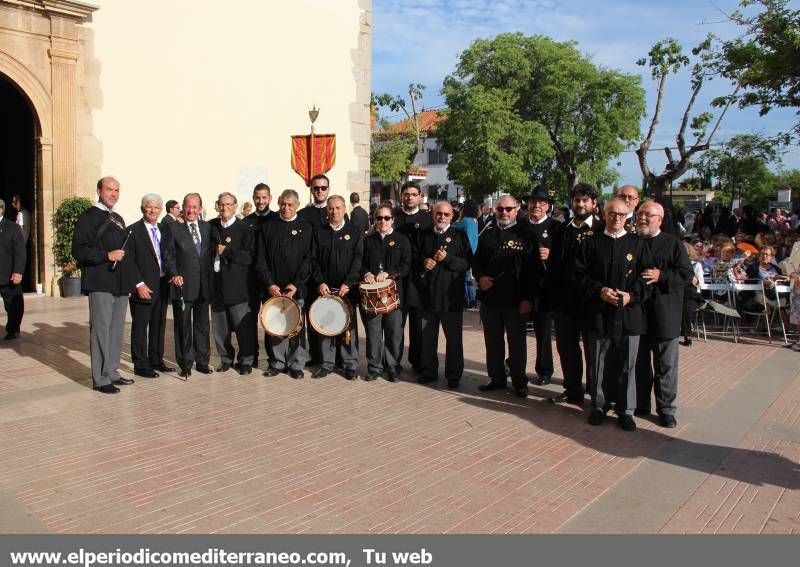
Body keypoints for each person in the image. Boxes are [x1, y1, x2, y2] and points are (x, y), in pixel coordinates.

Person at [575, 198, 653, 431]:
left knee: (628, 364)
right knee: (598, 362)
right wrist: (599, 291)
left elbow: (647, 277)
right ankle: (598, 406)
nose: (616, 218)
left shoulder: (638, 244)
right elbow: (579, 275)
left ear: (628, 216)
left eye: (621, 214)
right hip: (599, 312)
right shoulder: (591, 243)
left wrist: (632, 296)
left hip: (629, 314)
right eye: (612, 214)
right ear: (603, 214)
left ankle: (626, 410)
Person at [71, 177, 137, 393]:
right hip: (100, 281)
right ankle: (100, 378)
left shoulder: (117, 217)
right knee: (100, 330)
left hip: (119, 284)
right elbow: (78, 251)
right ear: (99, 190)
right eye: (109, 189)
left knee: (117, 330)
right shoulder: (88, 217)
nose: (114, 194)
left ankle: (112, 371)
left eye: (117, 190)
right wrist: (106, 255)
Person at [473, 195, 540, 398]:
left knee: (517, 343)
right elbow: (476, 261)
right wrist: (480, 276)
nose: (504, 213)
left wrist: (528, 298)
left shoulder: (526, 234)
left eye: (509, 209)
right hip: (490, 299)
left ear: (517, 208)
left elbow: (534, 270)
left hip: (516, 301)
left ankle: (520, 381)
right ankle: (497, 378)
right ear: (495, 210)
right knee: (493, 342)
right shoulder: (487, 232)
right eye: (500, 209)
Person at [634, 200, 693, 428]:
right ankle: (640, 404)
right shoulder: (632, 242)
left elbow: (686, 275)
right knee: (639, 364)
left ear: (659, 219)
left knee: (666, 366)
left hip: (665, 314)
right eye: (640, 214)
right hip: (637, 314)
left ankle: (666, 408)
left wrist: (662, 276)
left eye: (648, 214)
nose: (642, 218)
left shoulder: (672, 244)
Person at [548, 183, 602, 406]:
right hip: (564, 302)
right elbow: (554, 265)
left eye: (585, 200)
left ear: (594, 204)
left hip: (591, 302)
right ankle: (572, 390)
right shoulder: (562, 230)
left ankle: (597, 394)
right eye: (577, 200)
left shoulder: (601, 229)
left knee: (593, 351)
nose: (580, 204)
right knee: (567, 348)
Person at [411, 201, 471, 389]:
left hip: (450, 298)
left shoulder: (459, 236)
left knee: (453, 340)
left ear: (452, 216)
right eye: (439, 214)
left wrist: (448, 259)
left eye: (446, 214)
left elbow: (466, 263)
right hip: (427, 296)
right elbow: (413, 257)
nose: (442, 217)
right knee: (428, 338)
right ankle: (429, 371)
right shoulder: (424, 235)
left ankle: (453, 375)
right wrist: (423, 261)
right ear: (433, 214)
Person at [255, 189, 313, 379]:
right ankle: (277, 362)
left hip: (296, 289)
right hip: (273, 289)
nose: (286, 208)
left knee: (296, 326)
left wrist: (296, 284)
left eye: (290, 204)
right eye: (283, 204)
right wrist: (269, 283)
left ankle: (296, 363)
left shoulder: (306, 227)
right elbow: (261, 259)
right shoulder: (268, 226)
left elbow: (308, 259)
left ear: (297, 205)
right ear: (278, 203)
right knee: (274, 326)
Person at [310, 195, 364, 380]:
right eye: (331, 208)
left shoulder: (355, 232)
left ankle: (349, 364)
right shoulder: (319, 232)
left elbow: (358, 260)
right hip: (325, 289)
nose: (335, 211)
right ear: (327, 211)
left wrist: (348, 282)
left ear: (344, 210)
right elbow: (313, 260)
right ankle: (327, 364)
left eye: (338, 208)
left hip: (346, 289)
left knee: (348, 327)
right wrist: (320, 282)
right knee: (325, 325)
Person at [161, 193, 214, 378]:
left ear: (200, 208)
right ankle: (185, 363)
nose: (191, 210)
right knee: (183, 326)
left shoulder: (207, 227)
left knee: (202, 326)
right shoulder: (173, 228)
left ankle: (203, 361)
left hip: (204, 286)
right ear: (183, 207)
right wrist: (173, 274)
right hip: (183, 285)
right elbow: (167, 255)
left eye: (195, 207)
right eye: (188, 206)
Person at [360, 204, 411, 381]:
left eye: (386, 218)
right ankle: (374, 367)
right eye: (379, 218)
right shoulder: (367, 240)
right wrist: (366, 273)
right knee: (373, 333)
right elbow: (360, 262)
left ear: (393, 220)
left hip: (394, 295)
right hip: (373, 297)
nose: (383, 221)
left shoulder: (402, 240)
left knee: (394, 332)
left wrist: (389, 273)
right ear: (374, 220)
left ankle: (393, 366)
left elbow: (406, 265)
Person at [127, 194, 174, 378]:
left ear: (161, 210)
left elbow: (170, 254)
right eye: (149, 207)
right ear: (142, 209)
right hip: (143, 286)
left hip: (162, 284)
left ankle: (156, 359)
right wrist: (138, 284)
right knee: (140, 326)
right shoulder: (132, 231)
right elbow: (128, 261)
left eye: (156, 207)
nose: (153, 210)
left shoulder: (165, 229)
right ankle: (140, 364)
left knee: (159, 324)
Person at [209, 192, 257, 375]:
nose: (225, 208)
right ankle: (226, 358)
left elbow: (249, 257)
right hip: (216, 286)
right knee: (220, 328)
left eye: (229, 204)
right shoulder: (211, 226)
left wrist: (228, 252)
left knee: (243, 327)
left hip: (237, 287)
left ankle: (246, 360)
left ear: (236, 206)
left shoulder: (245, 229)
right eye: (221, 205)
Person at [394, 182, 433, 372]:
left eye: (413, 194)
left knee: (417, 326)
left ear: (420, 196)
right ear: (401, 196)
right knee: (396, 325)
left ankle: (417, 362)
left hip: (419, 280)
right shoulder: (392, 217)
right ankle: (394, 361)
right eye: (406, 194)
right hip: (398, 280)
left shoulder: (427, 219)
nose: (409, 197)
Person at [241, 183, 277, 369]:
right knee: (250, 322)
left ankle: (274, 360)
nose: (261, 201)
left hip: (271, 281)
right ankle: (250, 359)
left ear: (270, 198)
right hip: (251, 281)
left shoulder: (277, 220)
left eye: (264, 197)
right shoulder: (245, 222)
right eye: (257, 197)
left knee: (271, 321)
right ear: (253, 198)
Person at [523, 186, 557, 385]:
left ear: (548, 206)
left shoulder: (556, 228)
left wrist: (551, 256)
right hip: (520, 287)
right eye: (533, 202)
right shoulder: (519, 225)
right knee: (515, 330)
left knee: (543, 332)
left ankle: (544, 370)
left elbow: (566, 258)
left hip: (544, 290)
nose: (536, 205)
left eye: (541, 202)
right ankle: (514, 364)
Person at [0, 199, 25, 341]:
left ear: (1, 209)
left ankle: (13, 329)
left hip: (7, 274)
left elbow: (20, 252)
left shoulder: (12, 228)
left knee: (13, 305)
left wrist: (18, 272)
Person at [452, 201, 479, 309]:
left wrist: (458, 218)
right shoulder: (475, 220)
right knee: (468, 279)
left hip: (465, 252)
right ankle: (472, 300)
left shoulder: (465, 221)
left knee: (463, 278)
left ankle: (465, 300)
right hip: (473, 251)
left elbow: (452, 226)